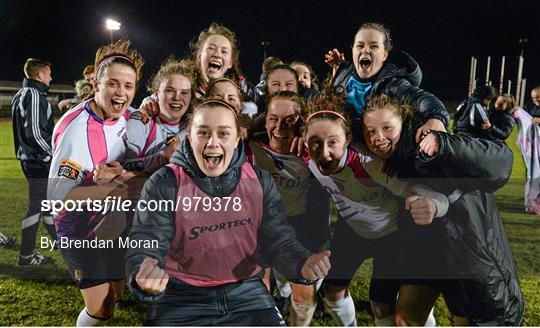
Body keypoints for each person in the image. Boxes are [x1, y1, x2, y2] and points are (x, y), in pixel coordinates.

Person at [124, 99, 331, 326]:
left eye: (223, 133)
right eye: (203, 133)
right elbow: (147, 237)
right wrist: (144, 268)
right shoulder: (165, 181)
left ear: (237, 139)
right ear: (190, 138)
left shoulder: (259, 180)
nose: (212, 142)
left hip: (246, 292)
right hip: (181, 293)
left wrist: (301, 263)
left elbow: (278, 239)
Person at [361, 94, 525, 326]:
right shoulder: (386, 161)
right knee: (405, 319)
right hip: (426, 251)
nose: (378, 138)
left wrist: (445, 144)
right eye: (370, 132)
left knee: (467, 321)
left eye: (387, 127)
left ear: (403, 123)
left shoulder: (432, 143)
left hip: (466, 248)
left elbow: (502, 161)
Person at [302, 93, 447, 326]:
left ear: (348, 138)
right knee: (332, 292)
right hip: (350, 231)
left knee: (381, 305)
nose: (324, 152)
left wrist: (435, 205)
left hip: (390, 236)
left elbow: (431, 194)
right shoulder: (304, 154)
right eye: (315, 142)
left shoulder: (369, 165)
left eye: (333, 142)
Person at [47, 39, 144, 326]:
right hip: (77, 227)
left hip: (110, 222)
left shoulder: (129, 117)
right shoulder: (76, 130)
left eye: (129, 86)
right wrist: (121, 188)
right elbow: (59, 199)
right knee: (101, 308)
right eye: (113, 84)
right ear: (96, 85)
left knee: (115, 291)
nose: (122, 93)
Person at [245, 91, 331, 325]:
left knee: (303, 293)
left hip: (299, 226)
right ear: (265, 118)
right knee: (258, 291)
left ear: (301, 122)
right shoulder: (249, 146)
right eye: (273, 118)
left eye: (290, 120)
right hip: (259, 226)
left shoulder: (310, 153)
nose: (280, 127)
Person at [324, 22, 448, 142]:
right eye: (360, 45)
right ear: (352, 51)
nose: (365, 50)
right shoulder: (344, 74)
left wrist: (436, 119)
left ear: (384, 55)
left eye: (373, 46)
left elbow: (422, 99)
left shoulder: (392, 83)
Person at [11, 57, 58, 266]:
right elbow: (36, 134)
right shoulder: (35, 95)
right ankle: (26, 255)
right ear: (40, 75)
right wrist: (53, 155)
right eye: (48, 73)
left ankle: (59, 241)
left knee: (45, 204)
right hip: (38, 161)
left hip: (30, 160)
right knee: (37, 206)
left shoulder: (22, 93)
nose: (51, 77)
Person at [123, 57, 197, 174]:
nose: (177, 97)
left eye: (184, 92)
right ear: (156, 94)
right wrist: (162, 158)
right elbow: (122, 165)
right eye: (170, 90)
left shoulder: (195, 127)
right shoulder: (143, 119)